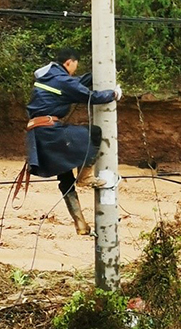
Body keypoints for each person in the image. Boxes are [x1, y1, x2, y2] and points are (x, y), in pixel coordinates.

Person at [24, 48, 122, 235]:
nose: (75, 70)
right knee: (94, 133)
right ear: (69, 62)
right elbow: (88, 96)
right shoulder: (61, 80)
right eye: (75, 66)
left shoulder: (51, 78)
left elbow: (75, 84)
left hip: (38, 133)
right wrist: (113, 94)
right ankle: (85, 176)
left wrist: (98, 75)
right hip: (50, 131)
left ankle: (81, 224)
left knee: (65, 177)